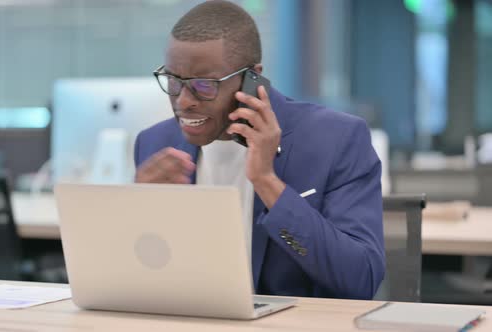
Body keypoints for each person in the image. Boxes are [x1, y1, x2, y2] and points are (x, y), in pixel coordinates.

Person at [134, 0, 385, 300]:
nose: (183, 101)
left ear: (251, 78)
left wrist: (268, 183)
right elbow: (138, 276)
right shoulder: (155, 144)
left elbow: (360, 280)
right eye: (173, 81)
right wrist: (136, 211)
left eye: (204, 85)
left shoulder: (336, 140)